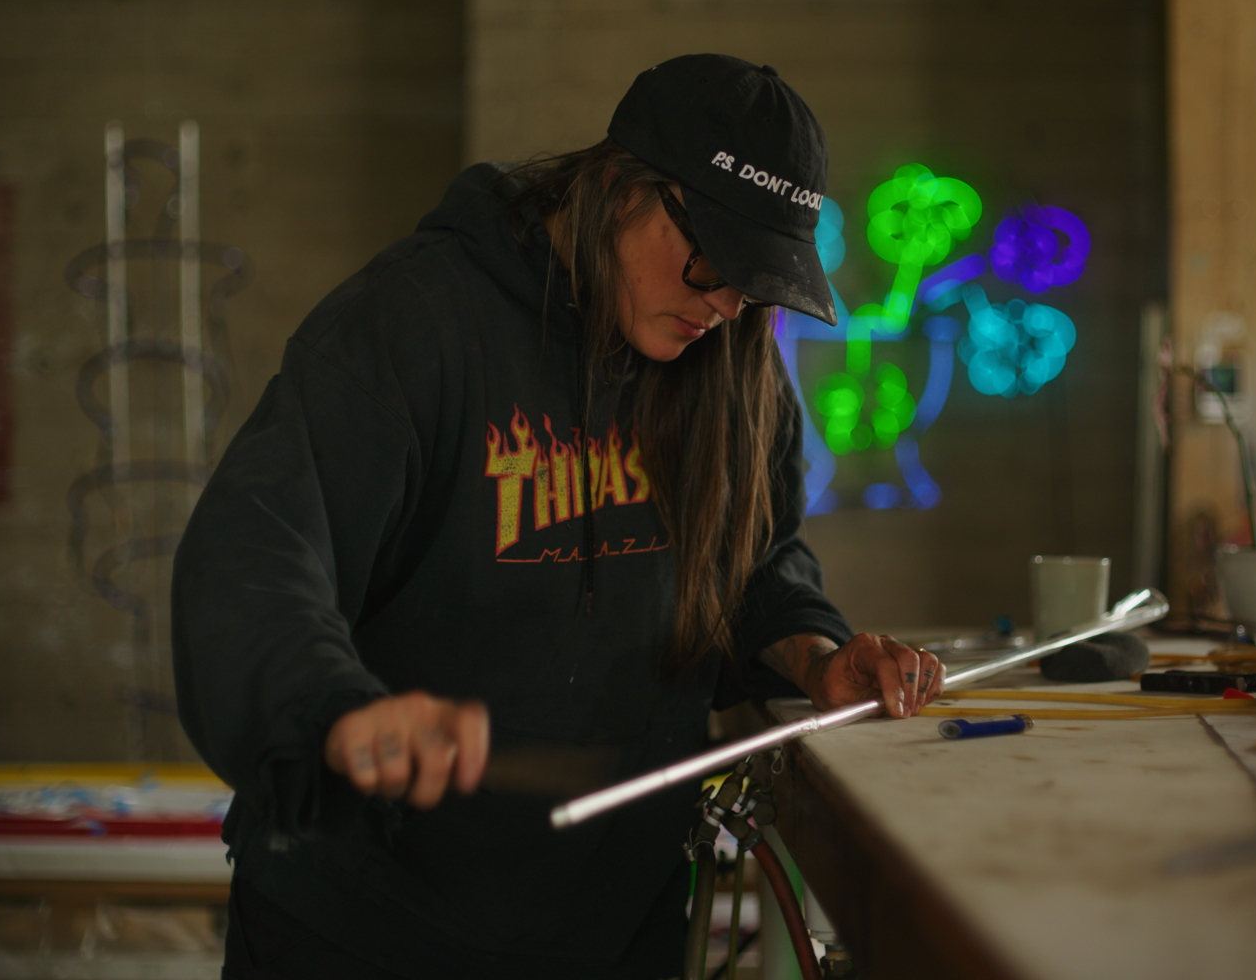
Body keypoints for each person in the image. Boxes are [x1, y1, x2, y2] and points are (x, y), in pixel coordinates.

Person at [172, 54, 945, 980]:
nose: (725, 303)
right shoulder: (415, 322)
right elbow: (256, 553)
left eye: (754, 283)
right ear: (621, 186)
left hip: (611, 931)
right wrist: (332, 710)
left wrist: (814, 652)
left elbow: (756, 560)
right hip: (363, 928)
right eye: (712, 261)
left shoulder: (732, 361)